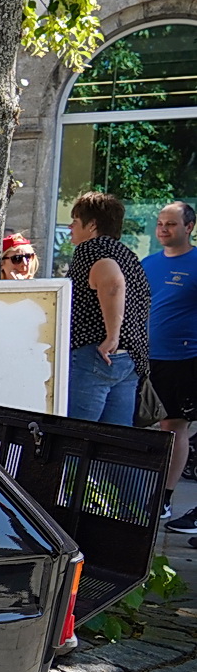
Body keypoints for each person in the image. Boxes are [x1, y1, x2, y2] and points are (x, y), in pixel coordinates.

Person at [65, 191, 152, 427]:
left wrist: (112, 337)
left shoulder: (91, 249)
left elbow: (112, 282)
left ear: (92, 225)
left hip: (96, 353)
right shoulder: (129, 256)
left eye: (75, 221)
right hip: (130, 359)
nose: (70, 226)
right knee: (112, 447)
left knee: (72, 438)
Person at [142, 202, 197, 531]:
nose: (163, 229)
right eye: (160, 224)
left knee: (173, 427)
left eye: (171, 224)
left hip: (183, 360)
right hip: (144, 359)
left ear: (189, 227)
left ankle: (164, 497)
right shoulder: (148, 263)